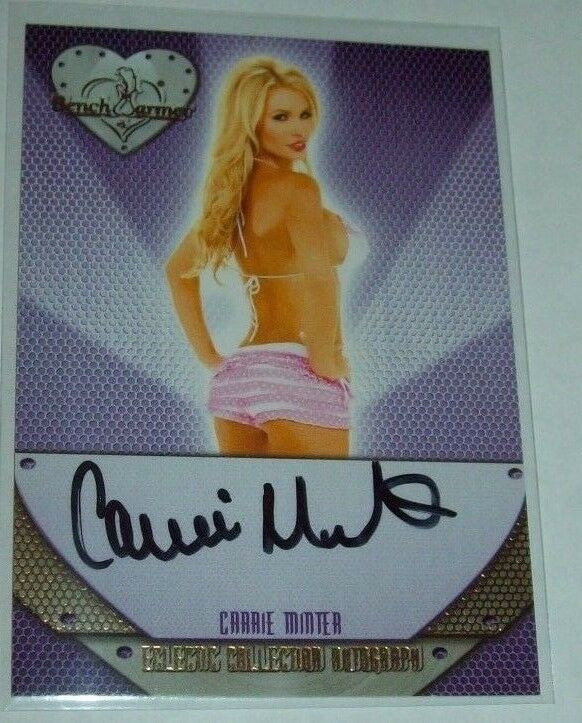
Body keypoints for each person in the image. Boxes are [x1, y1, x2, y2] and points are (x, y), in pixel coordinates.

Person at [165, 56, 352, 458]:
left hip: (238, 377)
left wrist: (210, 358)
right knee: (323, 498)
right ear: (250, 123)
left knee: (251, 501)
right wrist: (325, 361)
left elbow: (178, 272)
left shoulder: (231, 194)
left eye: (305, 114)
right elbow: (320, 279)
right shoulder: (297, 188)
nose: (299, 128)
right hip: (297, 372)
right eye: (281, 117)